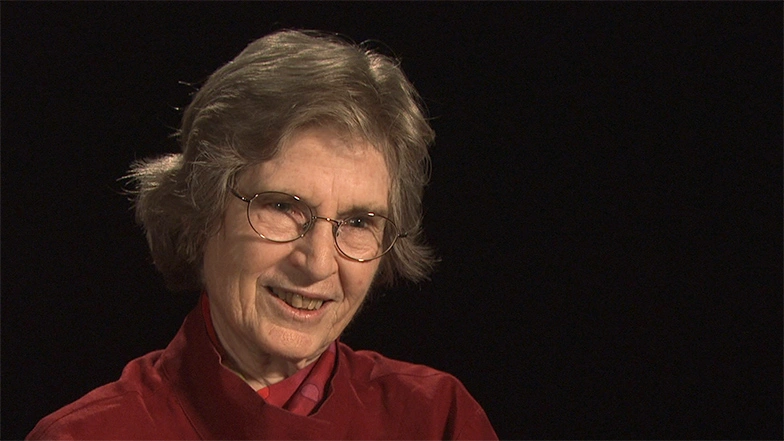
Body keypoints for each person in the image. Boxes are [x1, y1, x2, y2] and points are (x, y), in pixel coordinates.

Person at [27, 29, 497, 440]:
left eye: (358, 223)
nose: (316, 263)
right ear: (202, 212)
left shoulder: (438, 421)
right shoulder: (87, 436)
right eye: (281, 207)